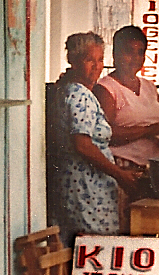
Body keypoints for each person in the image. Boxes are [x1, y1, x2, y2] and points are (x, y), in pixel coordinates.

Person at [51, 32, 142, 248]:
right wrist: (119, 175)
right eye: (88, 59)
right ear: (73, 61)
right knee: (96, 251)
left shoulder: (73, 90)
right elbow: (82, 144)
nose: (96, 66)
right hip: (85, 189)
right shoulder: (78, 95)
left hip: (84, 188)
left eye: (100, 60)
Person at [93, 25, 159, 229]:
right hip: (122, 175)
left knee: (148, 232)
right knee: (124, 231)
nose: (135, 58)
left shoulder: (149, 86)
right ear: (116, 53)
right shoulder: (106, 88)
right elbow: (105, 135)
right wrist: (148, 131)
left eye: (140, 52)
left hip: (150, 174)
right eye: (129, 52)